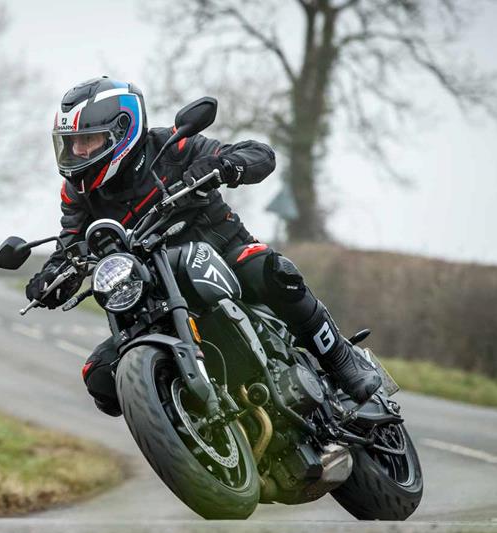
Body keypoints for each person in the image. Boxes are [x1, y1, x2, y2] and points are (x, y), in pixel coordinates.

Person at [25, 76, 381, 417]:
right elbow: (70, 244)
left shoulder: (173, 147)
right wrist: (52, 277)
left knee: (272, 271)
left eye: (89, 140)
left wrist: (224, 165)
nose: (78, 150)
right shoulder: (78, 192)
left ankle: (339, 358)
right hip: (151, 293)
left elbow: (260, 153)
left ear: (122, 130)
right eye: (73, 143)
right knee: (101, 375)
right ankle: (193, 436)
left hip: (224, 254)